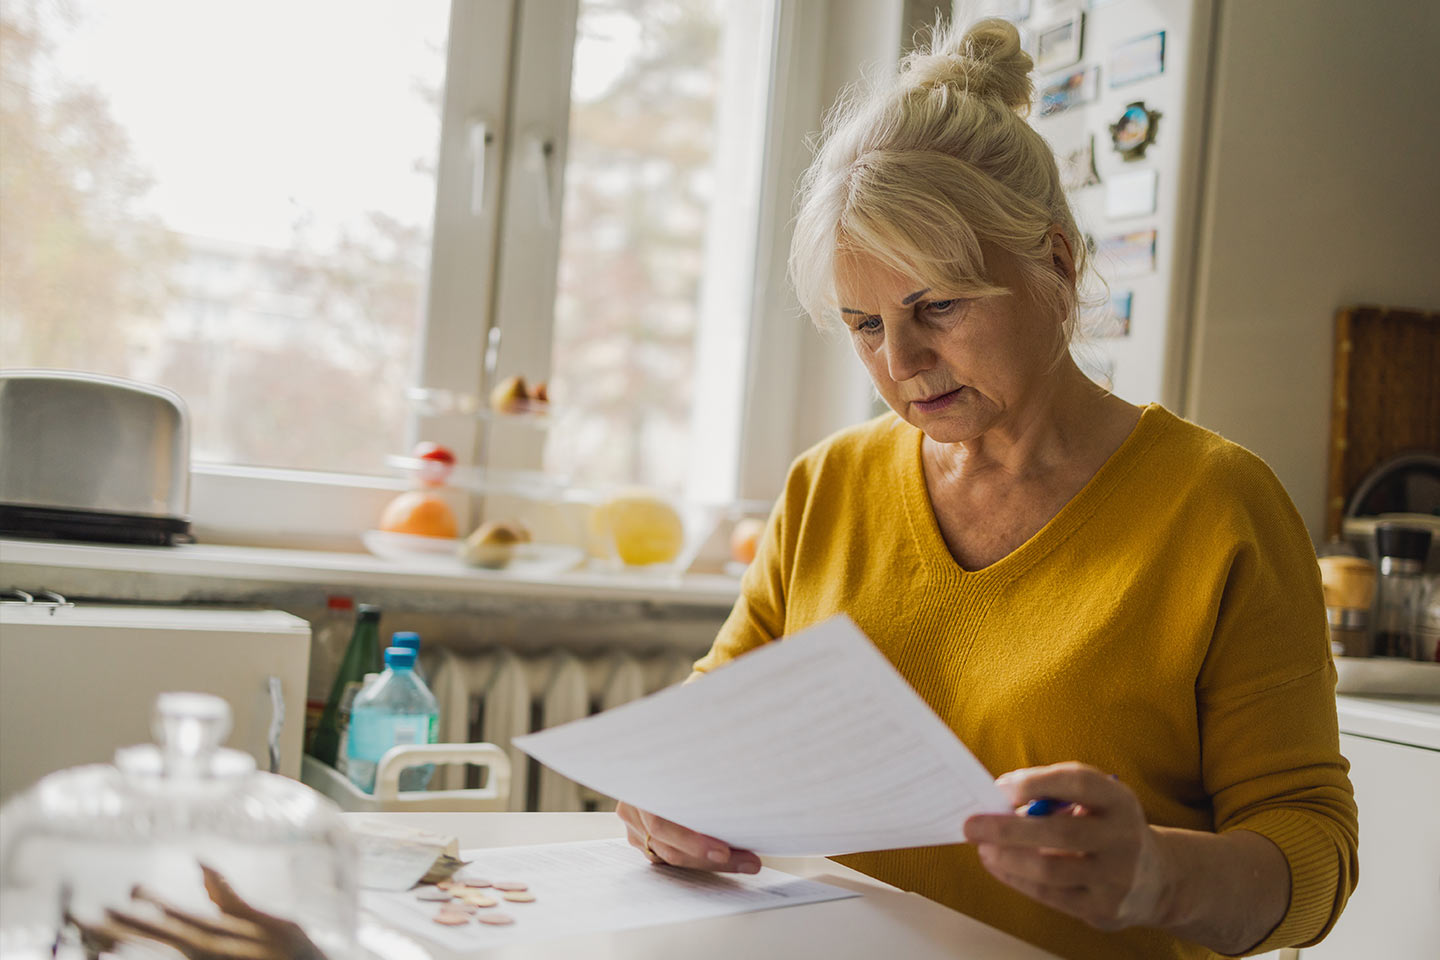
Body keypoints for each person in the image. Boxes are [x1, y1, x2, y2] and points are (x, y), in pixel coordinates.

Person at [616, 16, 1357, 960]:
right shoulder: (827, 487)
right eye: (865, 324)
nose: (903, 362)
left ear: (1056, 261)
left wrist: (1155, 876)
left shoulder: (1217, 506)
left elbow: (1315, 854)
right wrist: (664, 800)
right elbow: (710, 724)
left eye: (938, 307)